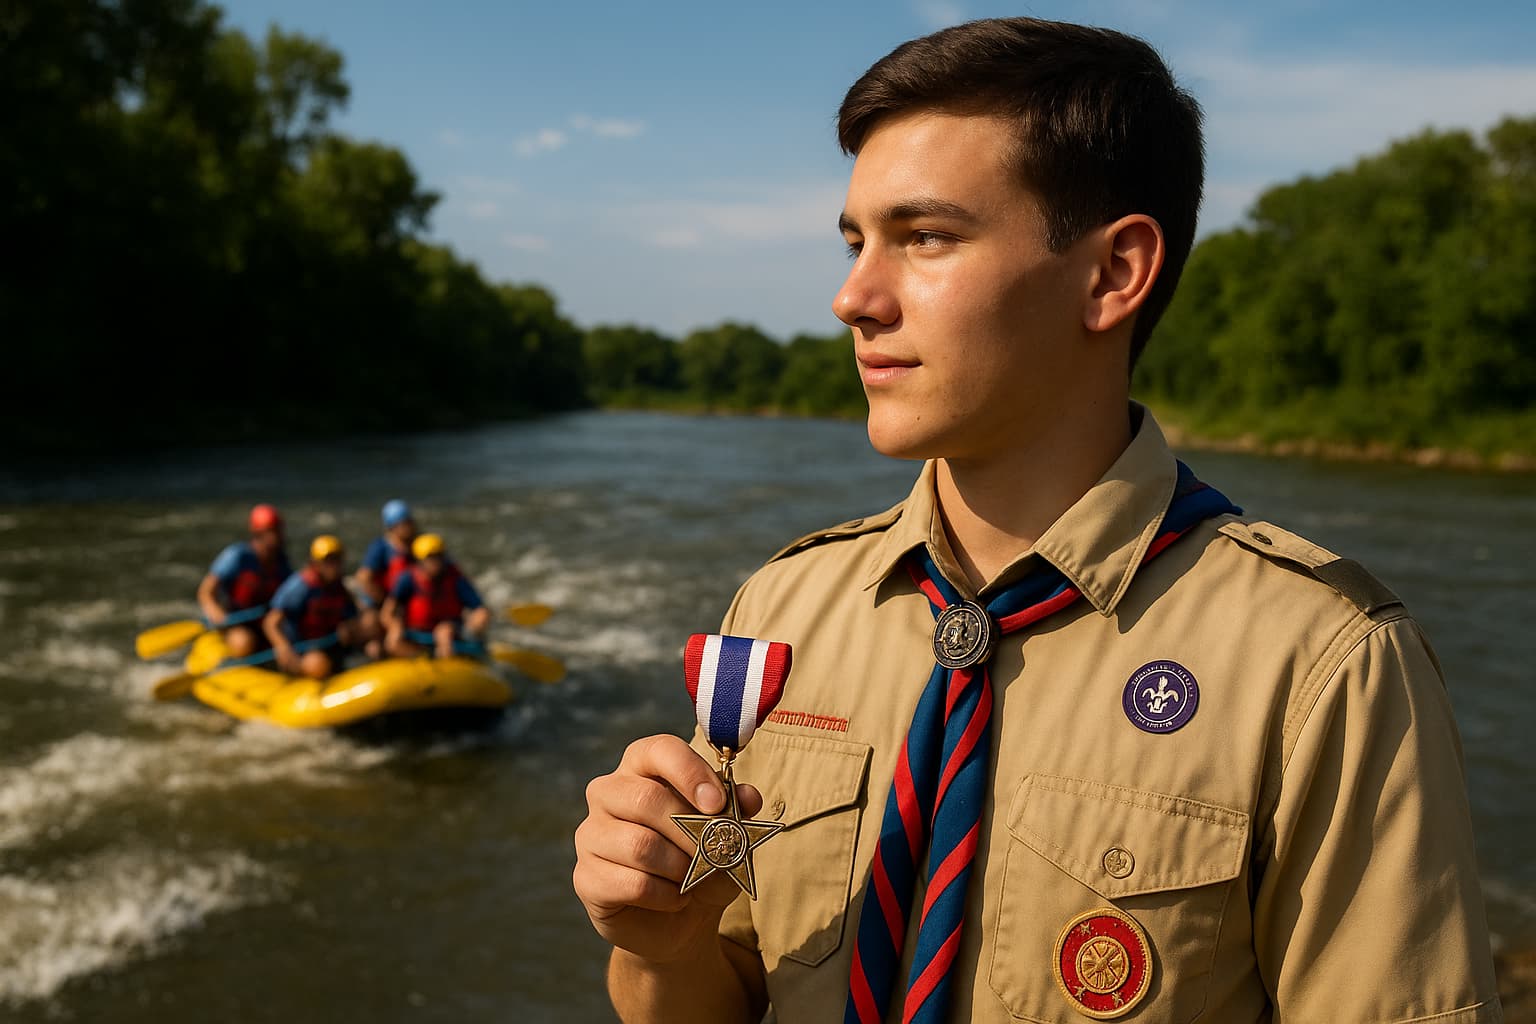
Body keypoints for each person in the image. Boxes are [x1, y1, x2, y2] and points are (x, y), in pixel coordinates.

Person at [572, 18, 1501, 1024]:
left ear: (1112, 274)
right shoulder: (785, 604)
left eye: (924, 237)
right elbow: (721, 996)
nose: (852, 298)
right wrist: (660, 944)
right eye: (855, 242)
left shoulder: (1322, 661)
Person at [196, 503, 292, 658]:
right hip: (235, 622)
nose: (279, 536)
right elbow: (206, 592)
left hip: (265, 623)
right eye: (273, 531)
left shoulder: (281, 561)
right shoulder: (237, 557)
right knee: (244, 642)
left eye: (279, 530)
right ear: (259, 533)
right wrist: (219, 616)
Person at [380, 533, 490, 660]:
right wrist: (395, 626)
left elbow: (480, 610)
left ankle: (448, 665)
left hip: (451, 631)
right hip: (416, 633)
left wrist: (474, 627)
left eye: (439, 556)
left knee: (444, 632)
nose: (436, 562)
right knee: (393, 641)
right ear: (420, 561)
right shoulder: (408, 579)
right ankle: (422, 658)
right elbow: (387, 613)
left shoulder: (454, 579)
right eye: (431, 558)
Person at [263, 535, 359, 679]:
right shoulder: (300, 586)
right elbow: (271, 622)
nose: (333, 565)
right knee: (317, 663)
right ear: (316, 564)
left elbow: (351, 616)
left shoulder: (340, 588)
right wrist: (283, 647)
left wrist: (347, 629)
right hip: (302, 649)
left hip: (329, 645)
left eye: (336, 560)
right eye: (328, 561)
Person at [355, 499, 419, 658]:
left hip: (404, 603)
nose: (408, 527)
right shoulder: (381, 548)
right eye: (403, 524)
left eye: (409, 522)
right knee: (371, 625)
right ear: (393, 527)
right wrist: (385, 602)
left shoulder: (418, 547)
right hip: (381, 605)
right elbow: (364, 578)